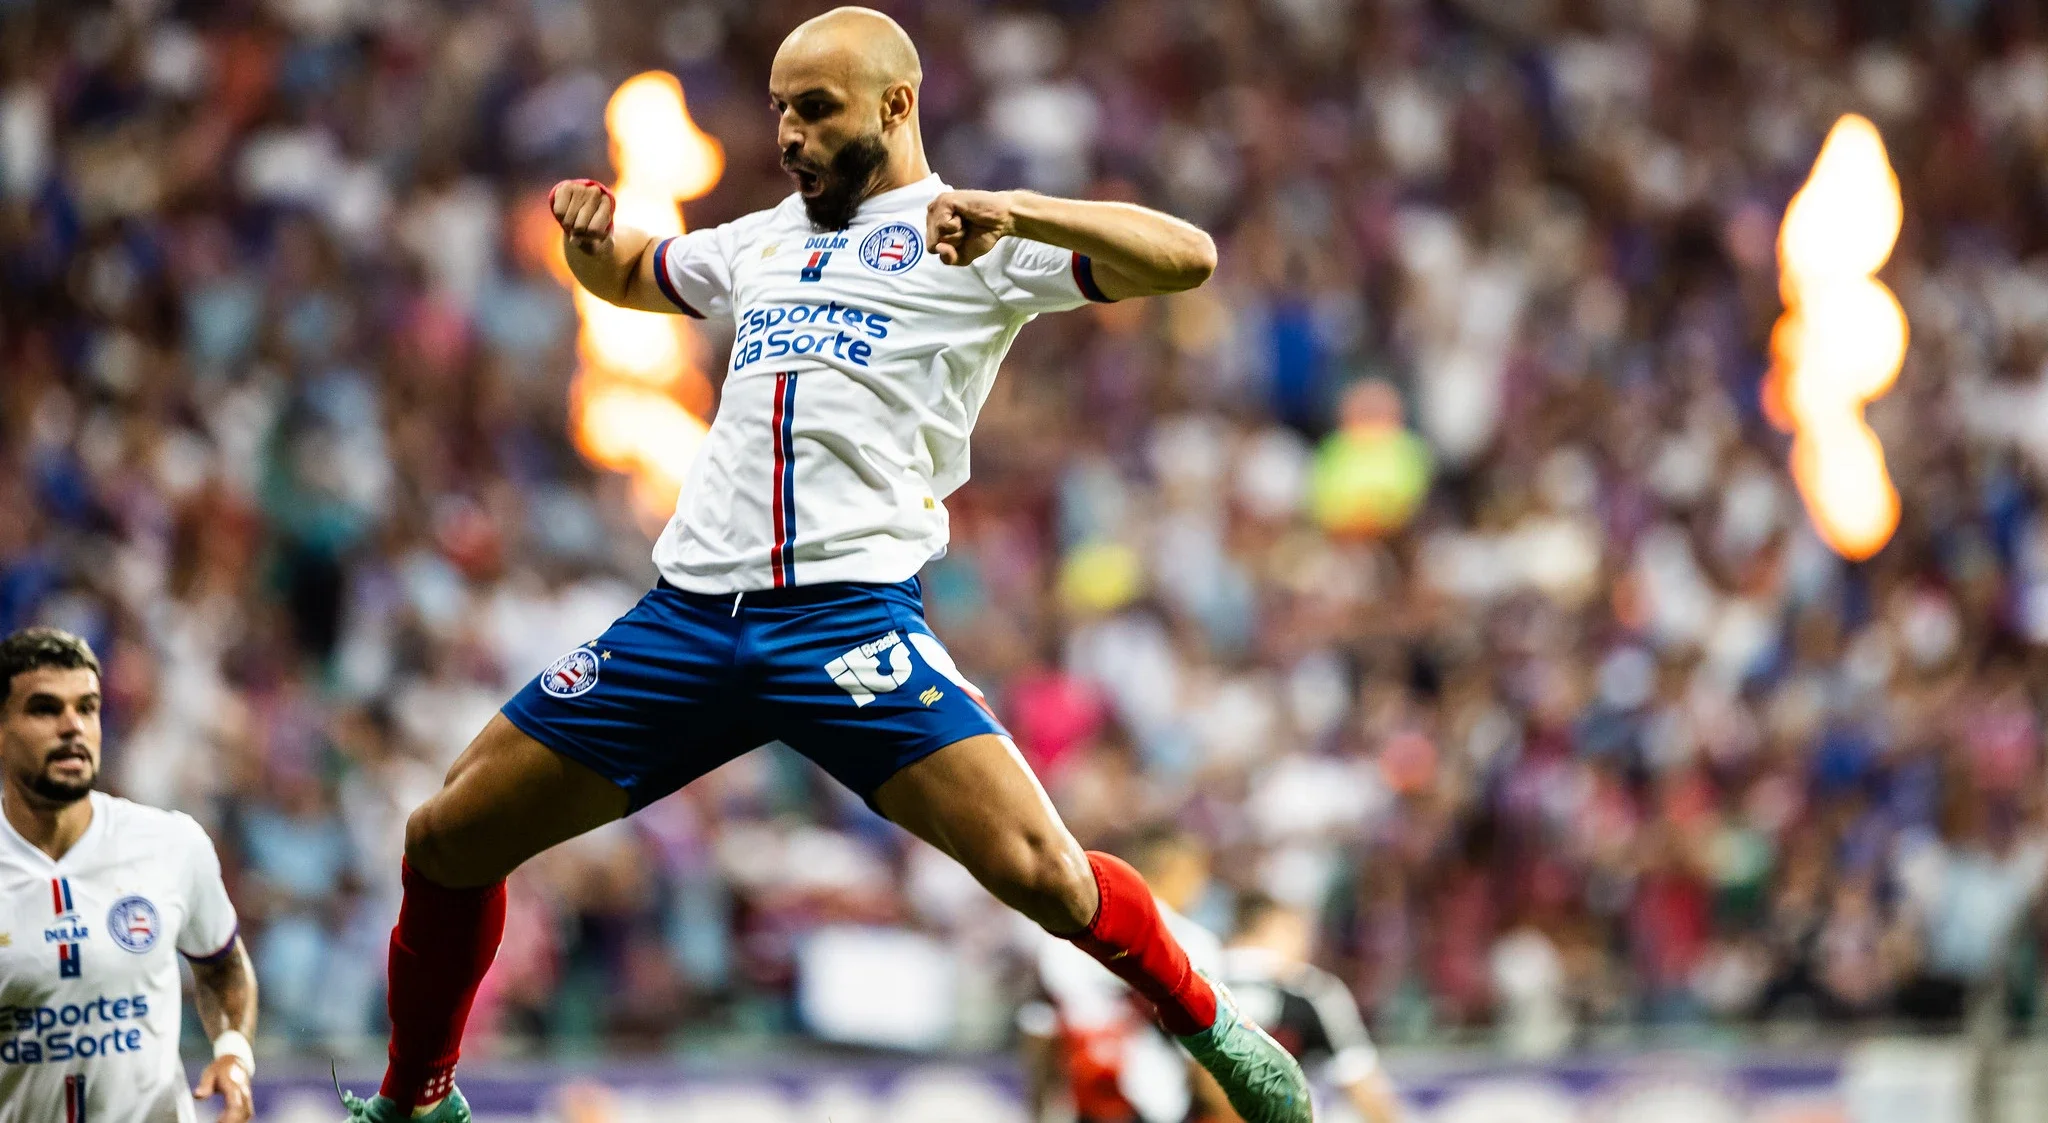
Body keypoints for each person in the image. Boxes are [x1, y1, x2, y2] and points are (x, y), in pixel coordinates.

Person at [337, 7, 1309, 1123]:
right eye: (780, 111)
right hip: (687, 621)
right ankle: (417, 1101)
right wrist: (586, 244)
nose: (790, 135)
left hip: (846, 626)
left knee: (1043, 873)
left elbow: (1186, 259)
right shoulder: (760, 240)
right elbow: (634, 280)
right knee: (447, 836)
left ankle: (1219, 1033)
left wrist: (1019, 210)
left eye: (815, 109)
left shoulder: (972, 239)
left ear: (895, 106)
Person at [0, 628, 258, 1123]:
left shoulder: (171, 845)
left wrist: (233, 1053)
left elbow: (223, 965)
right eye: (45, 709)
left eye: (87, 707)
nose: (72, 726)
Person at [1219, 893, 1402, 1123]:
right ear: (1277, 928)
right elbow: (1361, 1084)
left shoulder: (1195, 978)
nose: (1307, 945)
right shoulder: (1309, 990)